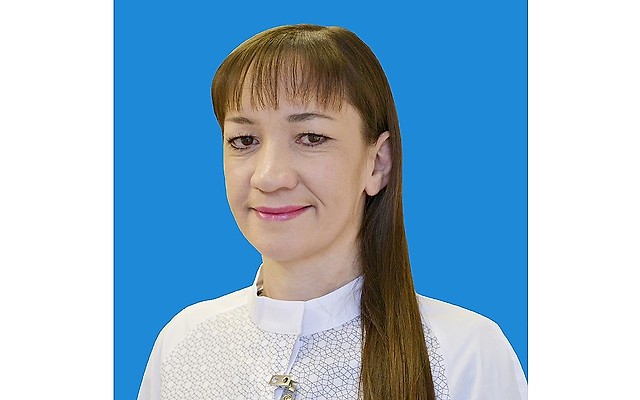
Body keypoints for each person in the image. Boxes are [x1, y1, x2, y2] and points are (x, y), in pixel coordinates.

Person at [137, 24, 527, 400]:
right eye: (244, 140)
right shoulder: (183, 343)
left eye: (311, 138)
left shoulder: (465, 353)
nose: (269, 177)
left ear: (378, 163)